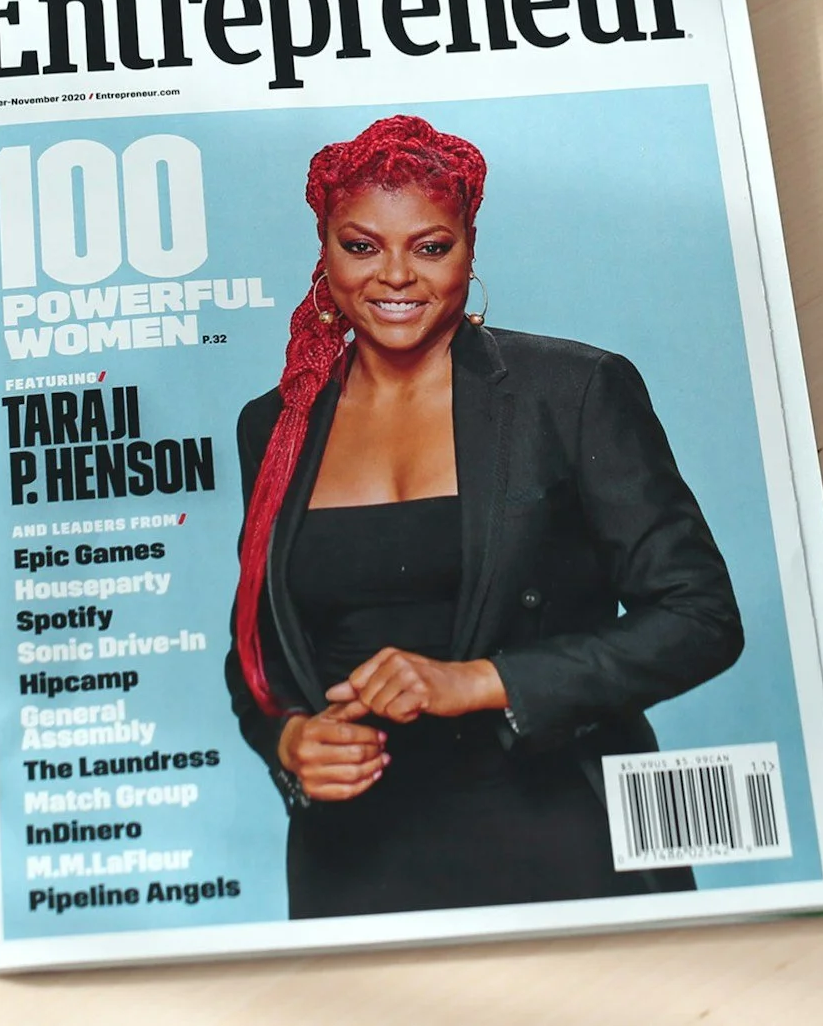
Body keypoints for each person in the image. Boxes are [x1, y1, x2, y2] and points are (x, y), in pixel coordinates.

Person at [224, 114, 744, 919]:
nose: (395, 275)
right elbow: (258, 647)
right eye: (361, 246)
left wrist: (475, 681)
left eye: (430, 246)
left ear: (470, 243)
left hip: (558, 831)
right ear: (323, 250)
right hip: (354, 862)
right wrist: (291, 742)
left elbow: (701, 616)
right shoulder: (277, 422)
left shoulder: (570, 392)